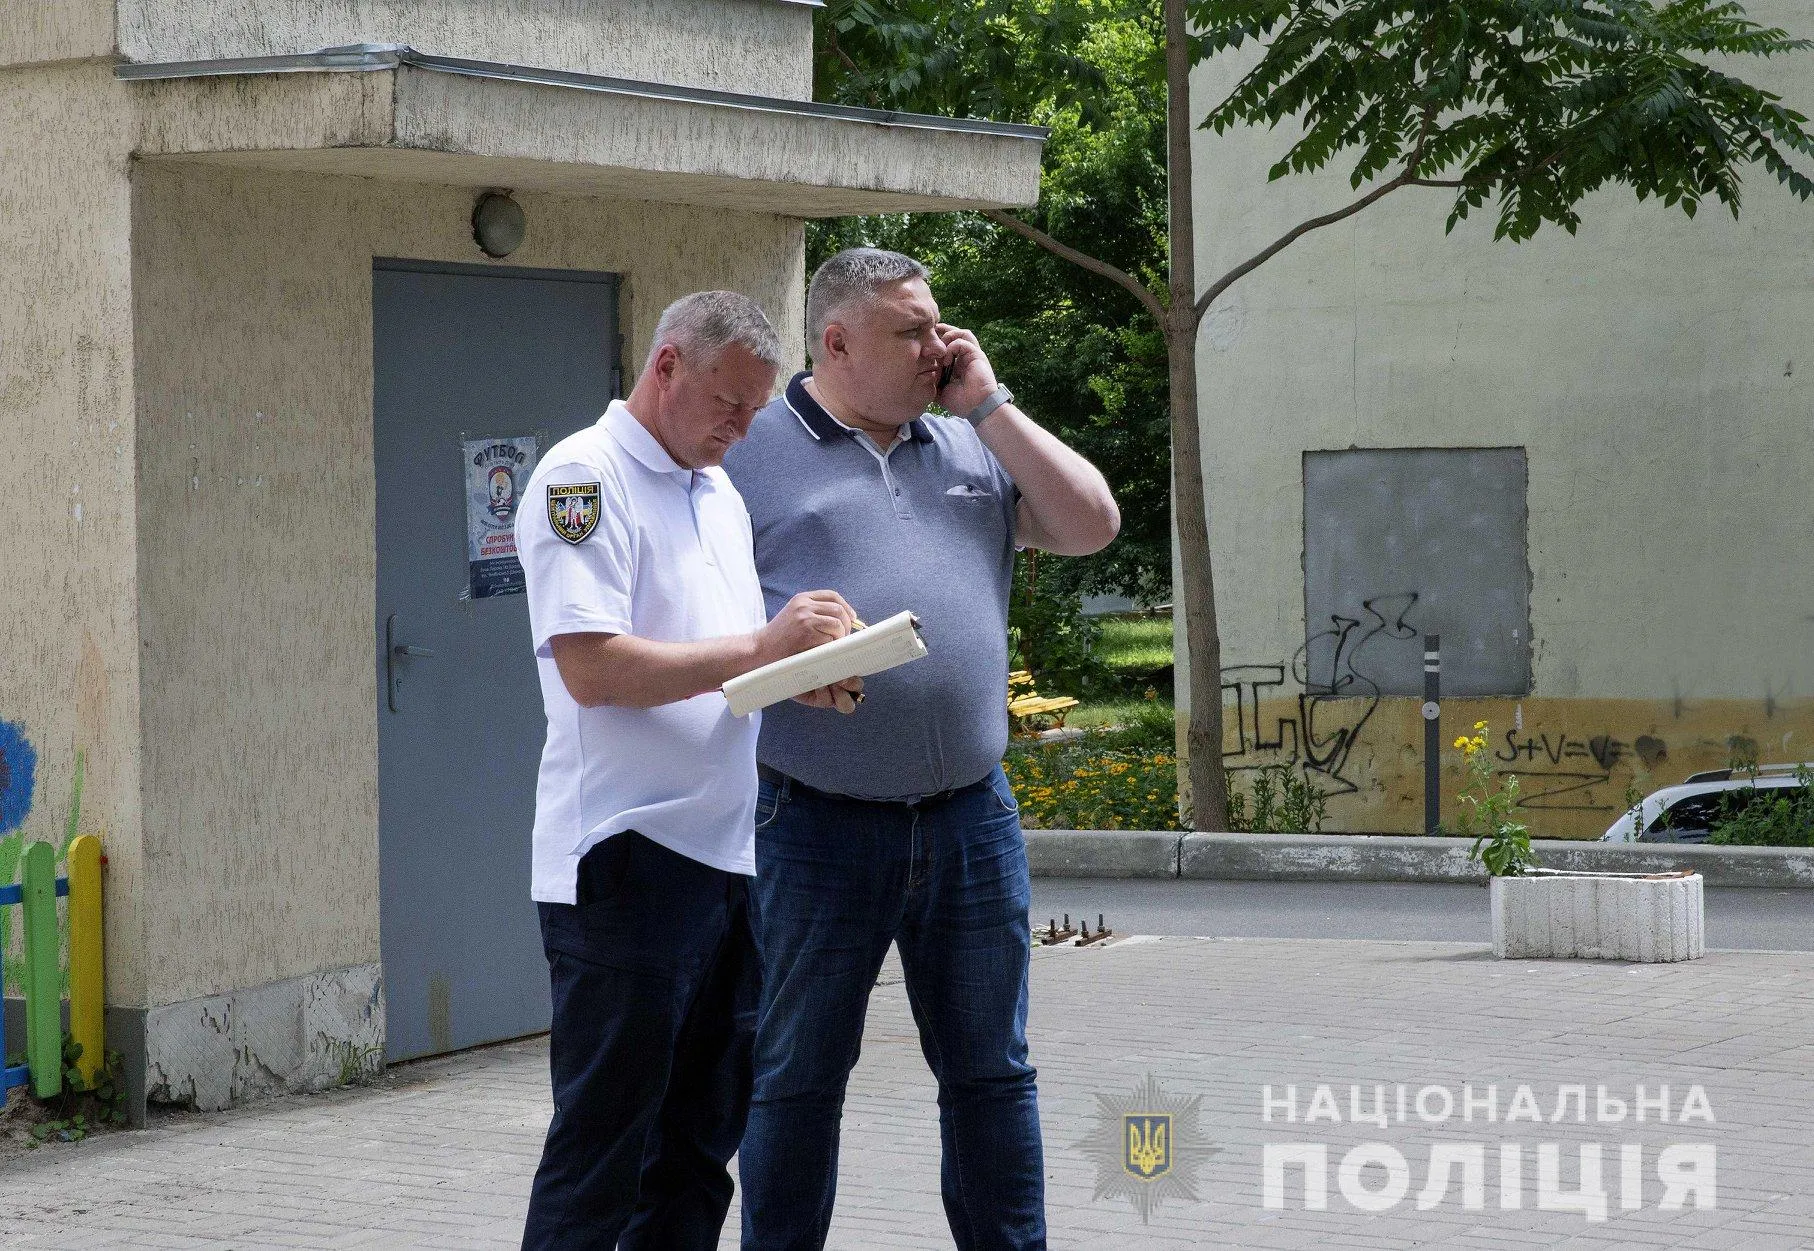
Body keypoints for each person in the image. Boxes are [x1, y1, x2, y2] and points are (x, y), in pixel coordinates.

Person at [722, 249, 1120, 1250]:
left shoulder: (967, 443)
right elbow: (695, 616)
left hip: (970, 818)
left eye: (938, 323)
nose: (935, 345)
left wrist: (988, 404)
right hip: (813, 821)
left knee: (991, 1073)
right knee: (798, 1077)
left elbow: (1091, 523)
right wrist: (776, 652)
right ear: (836, 341)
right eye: (908, 331)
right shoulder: (751, 451)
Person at [515, 290, 860, 1251]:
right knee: (602, 1155)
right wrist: (762, 646)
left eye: (755, 409)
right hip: (625, 858)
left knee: (698, 1154)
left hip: (726, 861)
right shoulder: (583, 477)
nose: (741, 429)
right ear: (666, 365)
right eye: (728, 403)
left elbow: (718, 668)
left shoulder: (717, 492)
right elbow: (592, 668)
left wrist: (801, 678)